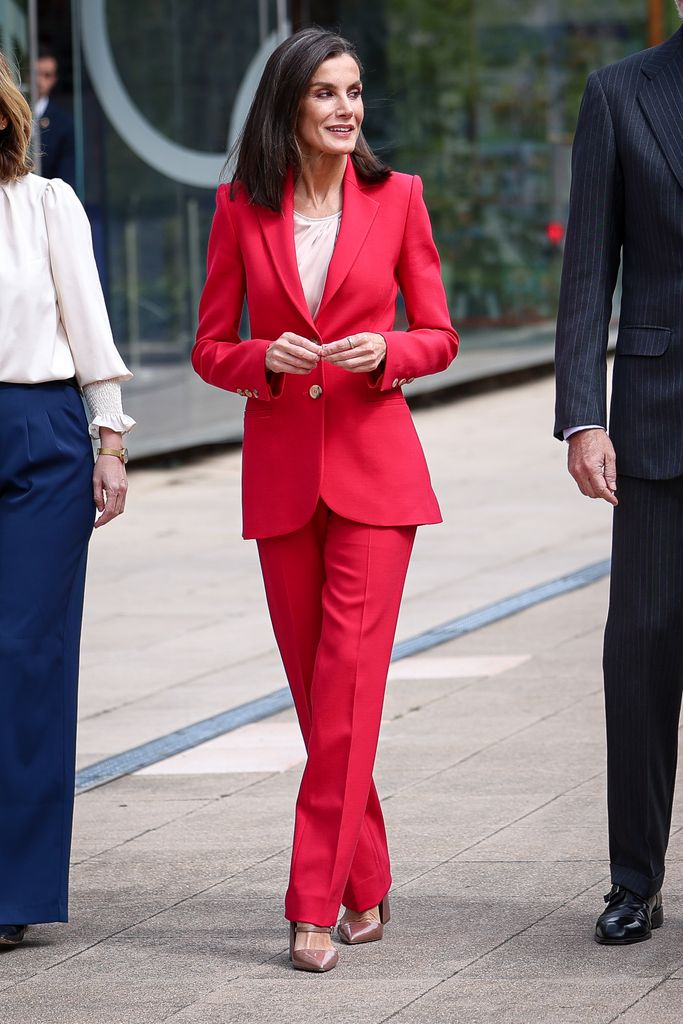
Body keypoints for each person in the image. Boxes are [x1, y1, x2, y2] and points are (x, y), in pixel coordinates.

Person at [192, 28, 458, 972]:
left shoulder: (400, 202)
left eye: (353, 93)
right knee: (320, 701)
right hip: (281, 483)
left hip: (376, 480)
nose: (347, 109)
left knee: (345, 688)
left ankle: (311, 904)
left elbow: (438, 333)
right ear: (288, 109)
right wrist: (261, 360)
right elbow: (209, 346)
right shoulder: (238, 210)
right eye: (325, 95)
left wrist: (389, 352)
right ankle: (370, 880)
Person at [555, 6, 683, 946]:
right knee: (637, 652)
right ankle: (633, 878)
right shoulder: (619, 93)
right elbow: (587, 271)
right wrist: (582, 415)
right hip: (652, 420)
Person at [0, 52, 134, 947]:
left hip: (37, 438)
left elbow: (88, 320)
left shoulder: (45, 203)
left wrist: (110, 436)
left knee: (23, 656)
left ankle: (12, 894)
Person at [34, 46, 75, 187]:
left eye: (47, 75)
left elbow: (65, 181)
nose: (40, 81)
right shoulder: (9, 115)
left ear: (54, 79)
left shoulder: (64, 124)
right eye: (36, 73)